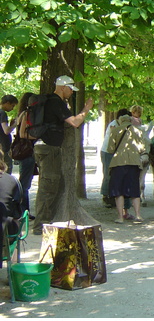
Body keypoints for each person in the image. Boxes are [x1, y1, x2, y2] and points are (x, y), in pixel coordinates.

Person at [32, 75, 93, 235]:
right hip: (49, 148)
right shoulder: (56, 102)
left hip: (43, 147)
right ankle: (40, 226)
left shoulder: (51, 101)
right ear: (62, 87)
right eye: (71, 88)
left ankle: (44, 222)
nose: (72, 92)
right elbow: (75, 122)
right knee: (48, 187)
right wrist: (86, 109)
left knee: (51, 185)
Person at [107, 111, 150, 224]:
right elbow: (142, 149)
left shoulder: (115, 130)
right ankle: (138, 215)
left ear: (120, 121)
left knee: (118, 191)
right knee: (135, 191)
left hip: (118, 163)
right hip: (134, 163)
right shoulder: (138, 131)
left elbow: (110, 149)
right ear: (130, 121)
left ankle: (120, 217)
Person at [100, 109, 132, 208]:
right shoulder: (113, 125)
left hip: (116, 152)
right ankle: (106, 196)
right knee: (108, 173)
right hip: (108, 152)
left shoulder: (122, 125)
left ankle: (113, 196)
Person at [0, 149, 24, 268]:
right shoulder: (12, 180)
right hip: (6, 232)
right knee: (16, 222)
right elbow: (17, 213)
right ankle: (14, 268)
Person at [14, 92, 36, 212]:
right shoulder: (26, 114)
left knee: (25, 182)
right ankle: (21, 210)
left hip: (24, 151)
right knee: (25, 184)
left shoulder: (21, 113)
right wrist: (38, 136)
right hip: (26, 151)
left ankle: (23, 210)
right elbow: (22, 134)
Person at [0, 94, 18, 174]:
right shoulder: (2, 113)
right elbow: (6, 131)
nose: (12, 108)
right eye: (12, 105)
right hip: (4, 147)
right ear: (7, 103)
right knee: (7, 170)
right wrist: (15, 124)